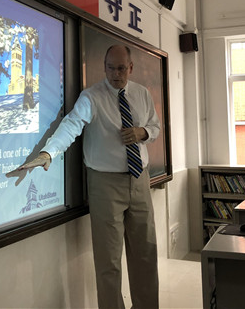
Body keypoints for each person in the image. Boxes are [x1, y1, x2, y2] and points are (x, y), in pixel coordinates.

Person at [8, 44, 160, 309]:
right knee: (108, 261)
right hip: (105, 184)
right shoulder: (91, 97)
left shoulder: (142, 94)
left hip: (140, 181)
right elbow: (71, 125)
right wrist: (48, 153)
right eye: (110, 68)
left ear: (131, 68)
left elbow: (155, 127)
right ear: (104, 67)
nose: (115, 74)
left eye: (121, 68)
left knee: (146, 254)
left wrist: (142, 133)